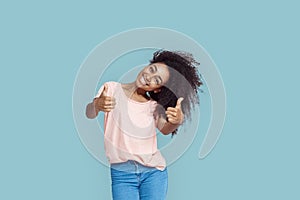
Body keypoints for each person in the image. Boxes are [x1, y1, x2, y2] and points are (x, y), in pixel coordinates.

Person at [86, 50, 202, 200]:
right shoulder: (111, 88)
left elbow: (165, 129)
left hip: (153, 173)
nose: (149, 77)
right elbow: (89, 113)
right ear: (148, 65)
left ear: (157, 89)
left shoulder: (153, 106)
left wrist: (176, 122)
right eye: (152, 70)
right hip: (122, 174)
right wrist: (97, 105)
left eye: (157, 80)